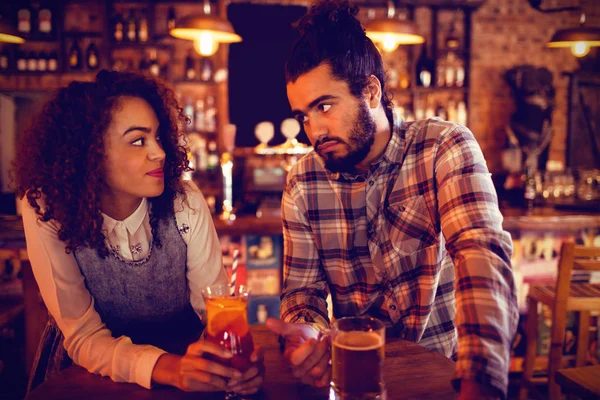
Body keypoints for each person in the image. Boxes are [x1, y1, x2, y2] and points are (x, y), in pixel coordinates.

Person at [265, 1, 518, 399]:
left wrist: (480, 382)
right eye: (303, 116)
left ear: (370, 91)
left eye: (324, 106)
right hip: (353, 379)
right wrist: (307, 333)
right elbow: (303, 292)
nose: (313, 129)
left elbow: (480, 255)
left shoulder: (442, 146)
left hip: (441, 375)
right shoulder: (303, 181)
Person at [15, 70, 263, 396]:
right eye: (138, 140)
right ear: (90, 154)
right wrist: (166, 368)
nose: (159, 152)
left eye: (158, 137)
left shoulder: (183, 202)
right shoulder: (47, 208)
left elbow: (212, 311)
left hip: (185, 366)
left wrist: (229, 357)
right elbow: (84, 336)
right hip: (89, 376)